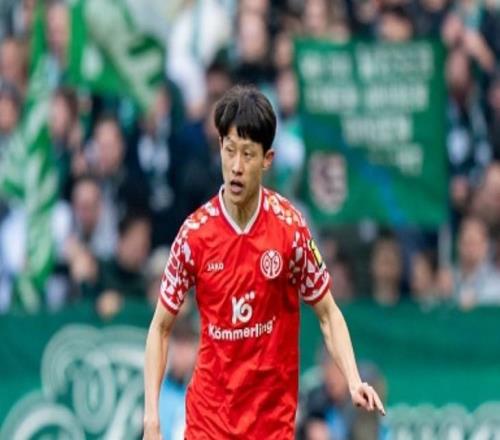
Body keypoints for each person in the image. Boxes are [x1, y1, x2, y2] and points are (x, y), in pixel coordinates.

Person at [143, 85, 385, 439]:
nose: (236, 167)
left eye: (248, 154)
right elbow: (160, 329)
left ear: (267, 159)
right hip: (209, 423)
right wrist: (151, 419)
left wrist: (353, 380)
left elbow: (328, 314)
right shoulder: (194, 236)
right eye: (229, 151)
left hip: (271, 425)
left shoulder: (290, 230)